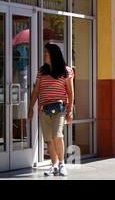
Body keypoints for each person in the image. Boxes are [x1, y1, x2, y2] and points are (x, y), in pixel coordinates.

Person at [28, 43, 74, 177]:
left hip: (59, 109)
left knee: (57, 136)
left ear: (53, 54)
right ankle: (53, 166)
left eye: (46, 53)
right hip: (44, 109)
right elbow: (36, 90)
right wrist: (31, 108)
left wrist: (70, 111)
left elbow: (71, 92)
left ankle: (61, 164)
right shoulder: (42, 71)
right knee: (49, 139)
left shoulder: (66, 71)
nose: (44, 55)